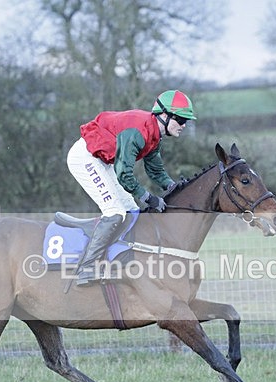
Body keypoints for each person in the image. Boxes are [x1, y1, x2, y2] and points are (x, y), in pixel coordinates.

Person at [66, 89, 196, 287]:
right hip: (85, 157)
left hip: (103, 161)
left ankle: (118, 258)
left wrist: (173, 187)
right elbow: (123, 173)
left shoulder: (155, 134)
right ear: (164, 115)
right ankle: (86, 268)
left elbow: (155, 170)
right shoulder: (138, 131)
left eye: (186, 120)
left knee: (131, 210)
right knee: (116, 212)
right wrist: (146, 196)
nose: (184, 125)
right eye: (180, 119)